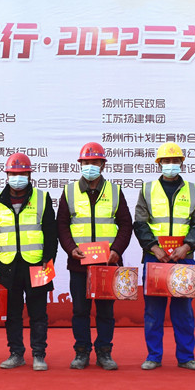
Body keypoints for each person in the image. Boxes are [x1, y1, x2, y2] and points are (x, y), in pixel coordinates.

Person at [57, 141, 133, 370]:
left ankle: (104, 352)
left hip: (106, 264)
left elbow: (126, 224)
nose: (90, 166)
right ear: (80, 165)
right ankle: (81, 352)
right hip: (79, 263)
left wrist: (116, 250)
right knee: (80, 310)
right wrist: (70, 248)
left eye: (94, 162)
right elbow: (62, 225)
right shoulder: (70, 191)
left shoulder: (114, 191)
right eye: (86, 162)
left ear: (102, 164)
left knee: (105, 311)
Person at [132, 141, 195, 371]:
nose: (171, 164)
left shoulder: (193, 190)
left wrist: (187, 246)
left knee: (183, 311)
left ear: (182, 163)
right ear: (159, 163)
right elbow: (140, 223)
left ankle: (186, 357)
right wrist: (154, 248)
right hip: (155, 257)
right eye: (167, 161)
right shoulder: (147, 190)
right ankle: (153, 356)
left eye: (175, 161)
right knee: (153, 312)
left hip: (183, 257)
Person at [0, 152, 58, 371]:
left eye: (22, 174)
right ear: (7, 176)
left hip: (37, 265)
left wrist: (49, 259)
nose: (17, 178)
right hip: (7, 266)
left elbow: (51, 233)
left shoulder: (42, 198)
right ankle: (16, 353)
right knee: (12, 313)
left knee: (38, 313)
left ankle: (39, 354)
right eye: (13, 174)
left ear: (29, 175)